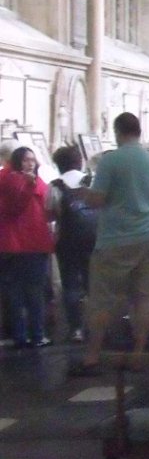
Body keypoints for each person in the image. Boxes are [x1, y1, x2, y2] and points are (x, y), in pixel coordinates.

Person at [69, 113, 149, 375]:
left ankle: (91, 357)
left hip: (115, 240)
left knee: (101, 300)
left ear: (118, 131)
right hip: (148, 236)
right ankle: (137, 355)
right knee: (142, 298)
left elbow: (98, 200)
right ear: (139, 131)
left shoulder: (111, 161)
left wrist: (83, 194)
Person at [0, 146, 55, 348]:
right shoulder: (14, 180)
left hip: (21, 243)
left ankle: (23, 335)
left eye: (32, 159)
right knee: (31, 292)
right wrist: (30, 186)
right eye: (25, 159)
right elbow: (15, 206)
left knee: (17, 292)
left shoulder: (22, 178)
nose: (30, 163)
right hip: (26, 244)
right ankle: (35, 335)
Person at [48, 145, 96, 343]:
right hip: (93, 238)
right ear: (79, 161)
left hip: (67, 240)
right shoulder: (91, 180)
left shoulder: (55, 185)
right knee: (92, 282)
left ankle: (76, 328)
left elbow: (50, 212)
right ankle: (96, 326)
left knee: (70, 284)